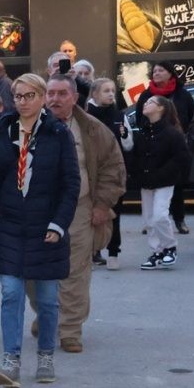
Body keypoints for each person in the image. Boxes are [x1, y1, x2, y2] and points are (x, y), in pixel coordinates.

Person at [0, 74, 80, 388]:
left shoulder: (58, 133)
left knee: (48, 299)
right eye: (18, 96)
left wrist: (58, 224)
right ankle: (11, 360)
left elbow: (70, 183)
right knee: (10, 293)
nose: (22, 101)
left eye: (28, 95)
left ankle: (46, 354)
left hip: (44, 227)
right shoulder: (3, 131)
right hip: (8, 225)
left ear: (41, 98)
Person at [35, 74, 125, 353]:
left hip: (78, 209)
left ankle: (70, 330)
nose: (55, 100)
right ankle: (46, 313)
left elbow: (113, 169)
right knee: (31, 271)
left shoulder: (93, 130)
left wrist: (101, 205)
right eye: (50, 93)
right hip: (35, 211)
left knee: (74, 271)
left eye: (62, 94)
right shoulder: (27, 126)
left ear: (75, 98)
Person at [134, 61, 194, 234]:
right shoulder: (146, 95)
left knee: (175, 184)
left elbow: (192, 117)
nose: (156, 73)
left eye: (161, 70)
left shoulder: (182, 94)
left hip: (176, 143)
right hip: (153, 145)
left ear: (170, 73)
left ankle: (179, 219)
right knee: (152, 184)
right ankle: (151, 222)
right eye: (154, 71)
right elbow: (139, 119)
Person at [132, 96, 189, 270]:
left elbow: (182, 158)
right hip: (146, 181)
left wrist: (164, 173)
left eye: (151, 102)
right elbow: (137, 155)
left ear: (161, 109)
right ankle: (157, 251)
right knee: (149, 219)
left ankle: (170, 247)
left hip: (165, 181)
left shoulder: (172, 133)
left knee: (160, 215)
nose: (146, 104)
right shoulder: (143, 131)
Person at [86, 78, 133, 270]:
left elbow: (129, 145)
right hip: (91, 173)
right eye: (106, 91)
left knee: (114, 213)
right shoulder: (86, 116)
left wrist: (124, 136)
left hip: (113, 173)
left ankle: (114, 252)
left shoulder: (119, 116)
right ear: (94, 94)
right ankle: (91, 251)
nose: (111, 94)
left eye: (112, 90)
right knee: (88, 214)